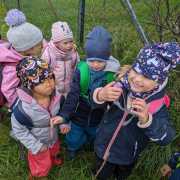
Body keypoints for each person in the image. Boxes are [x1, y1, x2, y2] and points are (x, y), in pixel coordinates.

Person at [92, 42, 178, 180]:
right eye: (136, 71)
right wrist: (100, 95)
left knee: (122, 174)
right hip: (102, 146)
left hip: (128, 155)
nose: (137, 79)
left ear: (159, 82)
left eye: (147, 77)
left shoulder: (156, 105)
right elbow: (93, 102)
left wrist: (147, 120)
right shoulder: (119, 86)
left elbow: (166, 138)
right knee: (100, 173)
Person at [54, 26, 120, 160]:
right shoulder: (81, 71)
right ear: (87, 58)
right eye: (91, 61)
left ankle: (91, 144)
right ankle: (72, 148)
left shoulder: (111, 75)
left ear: (107, 58)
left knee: (95, 133)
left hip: (98, 115)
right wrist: (64, 116)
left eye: (100, 61)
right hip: (78, 114)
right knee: (74, 136)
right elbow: (72, 96)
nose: (95, 65)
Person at [11, 57, 66, 179]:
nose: (49, 83)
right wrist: (36, 146)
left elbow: (62, 112)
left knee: (54, 149)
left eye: (50, 77)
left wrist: (63, 123)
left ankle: (53, 157)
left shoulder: (57, 96)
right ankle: (38, 174)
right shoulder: (23, 108)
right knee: (41, 162)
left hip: (54, 137)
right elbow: (19, 130)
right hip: (37, 142)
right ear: (29, 85)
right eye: (42, 81)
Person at [0, 9, 44, 109]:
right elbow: (7, 89)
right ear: (29, 48)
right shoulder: (13, 68)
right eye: (39, 44)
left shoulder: (23, 52)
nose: (42, 46)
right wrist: (17, 107)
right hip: (18, 103)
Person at [42, 21, 79, 97]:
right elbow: (43, 71)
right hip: (54, 89)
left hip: (69, 87)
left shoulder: (73, 52)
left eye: (71, 41)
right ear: (56, 43)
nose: (69, 45)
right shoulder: (49, 54)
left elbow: (76, 67)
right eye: (65, 43)